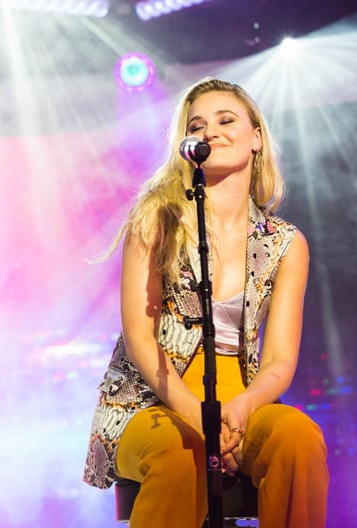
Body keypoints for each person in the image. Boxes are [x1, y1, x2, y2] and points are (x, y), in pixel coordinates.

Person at [83, 78, 328, 527]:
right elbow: (140, 338)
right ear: (187, 146)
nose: (211, 130)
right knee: (182, 454)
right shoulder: (157, 218)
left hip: (241, 400)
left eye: (226, 119)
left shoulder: (285, 243)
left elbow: (277, 361)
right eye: (198, 125)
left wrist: (243, 408)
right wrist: (199, 418)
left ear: (256, 137)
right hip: (154, 397)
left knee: (299, 438)